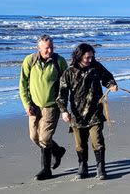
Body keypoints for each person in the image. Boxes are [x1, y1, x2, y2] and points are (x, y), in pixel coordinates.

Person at [57, 43, 118, 180]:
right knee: (80, 144)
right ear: (79, 56)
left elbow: (107, 77)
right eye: (87, 57)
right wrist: (64, 111)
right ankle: (82, 166)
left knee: (97, 140)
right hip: (77, 115)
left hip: (95, 112)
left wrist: (112, 85)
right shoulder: (69, 72)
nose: (90, 59)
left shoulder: (96, 67)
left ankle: (100, 168)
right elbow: (62, 94)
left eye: (92, 56)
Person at [19, 34, 68, 180]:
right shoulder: (30, 60)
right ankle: (57, 151)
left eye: (52, 47)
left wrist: (64, 106)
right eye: (46, 48)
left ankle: (46, 170)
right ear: (38, 48)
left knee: (45, 138)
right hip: (34, 106)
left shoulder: (59, 61)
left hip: (52, 106)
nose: (50, 50)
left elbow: (66, 85)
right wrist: (27, 104)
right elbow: (23, 84)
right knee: (34, 137)